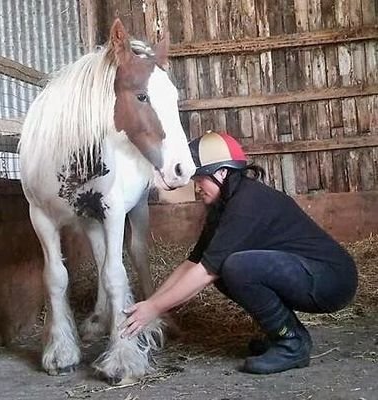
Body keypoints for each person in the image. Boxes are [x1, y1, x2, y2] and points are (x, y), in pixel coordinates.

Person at [121, 131, 358, 374]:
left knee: (235, 267)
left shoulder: (246, 204)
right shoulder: (225, 204)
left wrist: (155, 308)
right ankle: (281, 332)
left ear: (222, 172)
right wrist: (150, 305)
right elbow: (192, 264)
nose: (197, 187)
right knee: (227, 270)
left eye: (200, 178)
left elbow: (204, 274)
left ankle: (291, 343)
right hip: (305, 273)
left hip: (331, 281)